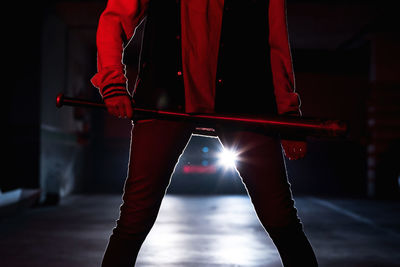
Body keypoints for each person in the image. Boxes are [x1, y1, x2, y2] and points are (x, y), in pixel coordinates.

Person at [91, 0, 318, 266]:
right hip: (163, 104)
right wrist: (113, 83)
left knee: (281, 219)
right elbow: (114, 18)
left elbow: (276, 44)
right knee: (133, 220)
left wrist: (288, 116)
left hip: (245, 103)